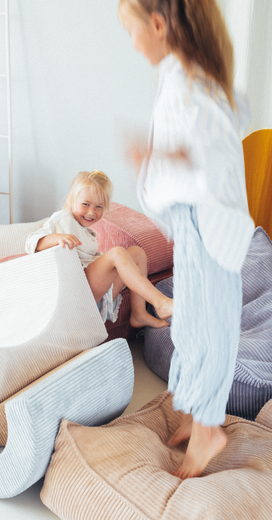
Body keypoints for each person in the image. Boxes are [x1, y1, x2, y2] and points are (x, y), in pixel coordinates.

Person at [118, 0, 254, 478]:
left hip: (208, 222)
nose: (132, 43)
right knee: (191, 320)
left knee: (210, 324)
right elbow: (195, 138)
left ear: (158, 25)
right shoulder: (181, 74)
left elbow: (211, 147)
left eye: (133, 32)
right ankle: (194, 412)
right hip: (191, 221)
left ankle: (208, 429)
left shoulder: (190, 79)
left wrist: (163, 158)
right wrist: (158, 153)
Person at [26, 170, 173, 328]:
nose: (91, 212)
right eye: (85, 204)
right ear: (70, 199)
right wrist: (56, 238)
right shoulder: (62, 219)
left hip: (95, 294)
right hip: (77, 294)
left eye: (98, 207)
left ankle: (139, 314)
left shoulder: (87, 232)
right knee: (117, 254)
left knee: (137, 253)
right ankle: (160, 302)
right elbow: (31, 242)